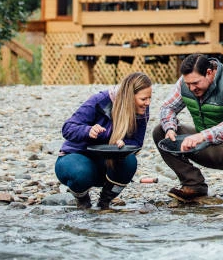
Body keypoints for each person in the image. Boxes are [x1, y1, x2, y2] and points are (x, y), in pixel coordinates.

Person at [152, 54, 223, 204]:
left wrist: (201, 136)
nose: (191, 88)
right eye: (188, 83)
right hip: (204, 144)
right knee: (160, 132)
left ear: (209, 73)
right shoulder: (188, 81)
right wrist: (170, 128)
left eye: (195, 83)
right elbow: (167, 108)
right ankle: (193, 184)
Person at [55, 72, 152, 209]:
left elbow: (137, 143)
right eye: (143, 99)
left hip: (105, 166)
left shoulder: (142, 110)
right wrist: (88, 131)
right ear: (129, 97)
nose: (147, 103)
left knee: (130, 161)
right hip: (75, 158)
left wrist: (124, 143)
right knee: (81, 173)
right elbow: (67, 128)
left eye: (149, 98)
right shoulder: (101, 100)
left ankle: (105, 202)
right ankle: (82, 198)